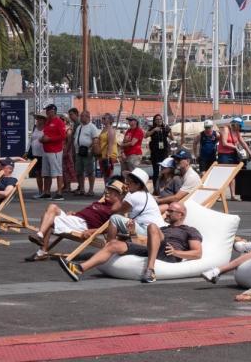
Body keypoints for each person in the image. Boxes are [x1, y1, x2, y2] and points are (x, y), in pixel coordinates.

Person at [58, 201, 202, 284]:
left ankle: (150, 271)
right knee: (113, 244)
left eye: (171, 211)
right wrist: (132, 233)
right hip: (152, 249)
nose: (167, 213)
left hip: (169, 254)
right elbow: (142, 243)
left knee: (152, 226)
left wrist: (177, 252)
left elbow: (197, 253)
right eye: (168, 210)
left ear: (181, 214)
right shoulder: (163, 228)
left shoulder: (189, 230)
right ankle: (79, 269)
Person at [26, 180, 125, 261]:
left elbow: (110, 227)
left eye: (111, 191)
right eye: (107, 190)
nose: (107, 192)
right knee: (52, 207)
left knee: (48, 219)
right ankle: (40, 236)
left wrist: (93, 231)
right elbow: (88, 212)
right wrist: (75, 213)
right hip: (75, 219)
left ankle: (41, 249)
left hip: (82, 225)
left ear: (118, 196)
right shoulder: (102, 203)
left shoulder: (116, 209)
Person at [217, 117, 251, 201]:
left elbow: (244, 144)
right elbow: (224, 143)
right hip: (224, 154)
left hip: (233, 154)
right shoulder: (226, 129)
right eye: (239, 126)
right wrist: (235, 147)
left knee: (232, 175)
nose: (240, 128)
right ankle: (221, 195)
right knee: (223, 175)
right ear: (235, 124)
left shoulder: (237, 132)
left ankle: (233, 196)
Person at [40, 103, 67, 200]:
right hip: (46, 150)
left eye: (48, 111)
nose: (46, 112)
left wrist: (49, 139)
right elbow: (46, 133)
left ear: (52, 111)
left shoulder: (59, 122)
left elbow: (63, 136)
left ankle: (59, 192)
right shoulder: (47, 122)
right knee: (46, 173)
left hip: (55, 151)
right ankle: (47, 192)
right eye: (46, 111)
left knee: (58, 172)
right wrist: (42, 139)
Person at [72, 110, 100, 196]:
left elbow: (95, 139)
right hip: (78, 152)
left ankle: (91, 190)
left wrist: (89, 148)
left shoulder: (92, 127)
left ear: (87, 117)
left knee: (90, 171)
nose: (81, 117)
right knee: (79, 171)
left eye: (82, 116)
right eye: (81, 116)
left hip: (88, 152)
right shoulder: (79, 127)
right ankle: (82, 189)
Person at [147, 114, 172, 195]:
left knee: (164, 170)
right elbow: (145, 135)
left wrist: (170, 130)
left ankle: (164, 187)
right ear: (154, 120)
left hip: (164, 152)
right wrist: (154, 130)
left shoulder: (165, 128)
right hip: (155, 152)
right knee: (156, 172)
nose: (159, 120)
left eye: (160, 119)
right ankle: (155, 189)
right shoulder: (152, 128)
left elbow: (172, 138)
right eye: (157, 119)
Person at [95, 113, 118, 181]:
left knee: (109, 174)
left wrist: (108, 157)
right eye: (102, 118)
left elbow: (110, 144)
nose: (102, 120)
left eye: (104, 118)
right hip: (103, 155)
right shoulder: (104, 129)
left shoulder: (110, 130)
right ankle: (107, 189)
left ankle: (109, 190)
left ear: (110, 120)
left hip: (109, 156)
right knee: (105, 174)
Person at [29, 113, 47, 199]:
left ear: (44, 120)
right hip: (35, 153)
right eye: (37, 119)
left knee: (45, 173)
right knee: (37, 173)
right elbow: (31, 140)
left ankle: (46, 191)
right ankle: (40, 191)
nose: (38, 120)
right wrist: (27, 150)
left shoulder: (46, 129)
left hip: (44, 153)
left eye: (40, 119)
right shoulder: (35, 128)